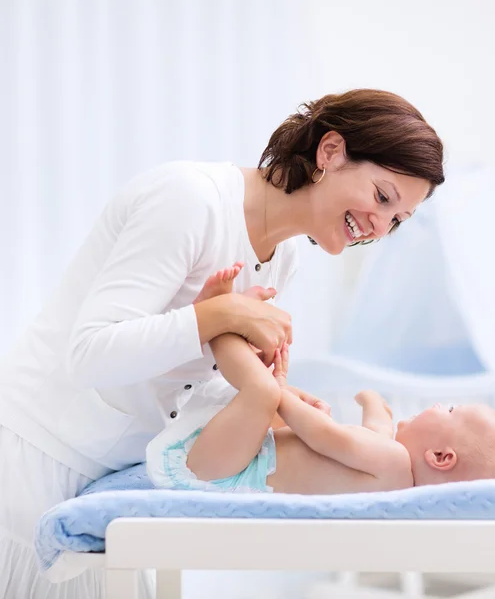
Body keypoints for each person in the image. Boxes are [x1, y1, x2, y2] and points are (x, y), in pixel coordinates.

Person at [0, 89, 444, 597]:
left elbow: (183, 382)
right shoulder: (190, 200)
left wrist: (271, 397)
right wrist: (216, 315)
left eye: (397, 220)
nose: (380, 226)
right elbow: (89, 355)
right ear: (330, 152)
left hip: (109, 482)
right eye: (383, 198)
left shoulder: (283, 258)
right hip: (33, 464)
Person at [147, 263, 495, 495]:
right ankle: (228, 326)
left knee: (263, 392)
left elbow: (328, 436)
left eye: (451, 410)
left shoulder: (393, 463)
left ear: (440, 457)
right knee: (277, 397)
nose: (441, 404)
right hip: (234, 460)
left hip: (223, 471)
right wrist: (372, 403)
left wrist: (280, 390)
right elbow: (376, 429)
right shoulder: (392, 470)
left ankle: (219, 319)